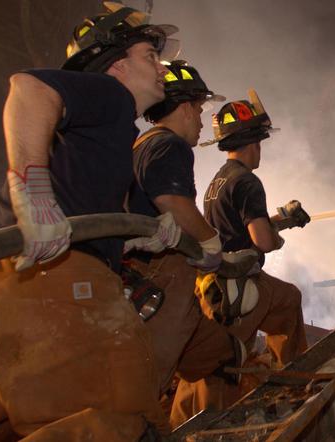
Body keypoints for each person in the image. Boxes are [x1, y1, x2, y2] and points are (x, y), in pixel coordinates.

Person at [0, 3, 182, 439]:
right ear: (117, 66)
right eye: (149, 57)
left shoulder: (111, 133)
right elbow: (27, 88)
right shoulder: (108, 95)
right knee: (119, 420)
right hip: (48, 275)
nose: (162, 68)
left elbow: (84, 204)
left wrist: (139, 237)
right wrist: (33, 194)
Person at [169, 92, 310, 425]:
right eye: (261, 140)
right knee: (222, 364)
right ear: (254, 142)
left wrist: (282, 218)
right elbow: (261, 239)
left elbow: (234, 225)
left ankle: (178, 424)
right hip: (238, 286)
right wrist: (276, 237)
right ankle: (291, 382)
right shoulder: (248, 181)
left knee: (205, 357)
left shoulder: (218, 180)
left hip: (212, 284)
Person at [125, 60, 247, 417]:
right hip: (163, 277)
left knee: (218, 354)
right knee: (151, 373)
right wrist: (211, 242)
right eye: (198, 108)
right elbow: (173, 200)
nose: (199, 119)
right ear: (183, 107)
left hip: (146, 274)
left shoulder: (141, 143)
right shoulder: (171, 145)